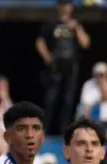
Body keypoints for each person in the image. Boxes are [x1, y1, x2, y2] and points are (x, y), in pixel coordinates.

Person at [37, 0, 90, 134]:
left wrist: (76, 28)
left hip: (70, 67)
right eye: (63, 4)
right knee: (51, 99)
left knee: (68, 100)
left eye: (68, 4)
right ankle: (45, 130)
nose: (65, 7)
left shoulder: (75, 24)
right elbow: (40, 42)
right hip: (55, 67)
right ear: (58, 7)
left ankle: (64, 131)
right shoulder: (51, 24)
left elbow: (85, 43)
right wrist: (48, 57)